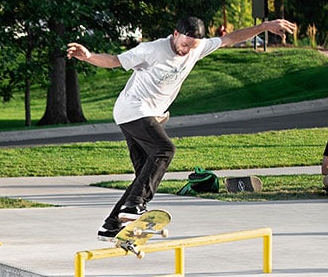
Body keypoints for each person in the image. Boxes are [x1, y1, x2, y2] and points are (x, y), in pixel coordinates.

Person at [67, 16, 298, 239]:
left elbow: (231, 38)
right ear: (175, 34)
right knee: (165, 150)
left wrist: (265, 26)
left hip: (143, 115)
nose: (186, 50)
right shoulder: (152, 49)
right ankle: (134, 206)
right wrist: (88, 56)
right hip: (134, 110)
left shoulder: (197, 47)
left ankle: (111, 225)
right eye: (184, 44)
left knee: (143, 175)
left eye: (191, 47)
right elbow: (114, 61)